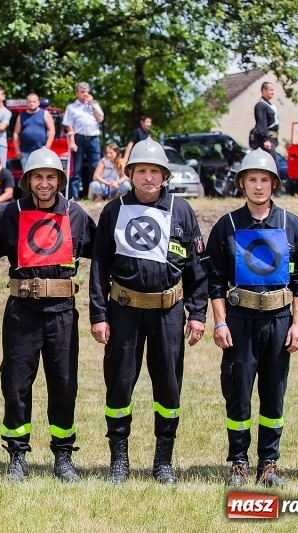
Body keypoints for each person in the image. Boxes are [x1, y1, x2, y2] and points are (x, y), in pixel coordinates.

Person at [89, 138, 207, 485]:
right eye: (142, 170)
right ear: (130, 174)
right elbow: (98, 266)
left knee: (169, 387)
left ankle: (163, 461)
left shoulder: (182, 210)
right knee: (119, 384)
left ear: (165, 175)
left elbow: (197, 268)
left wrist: (197, 313)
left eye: (155, 171)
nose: (148, 177)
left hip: (168, 312)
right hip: (123, 311)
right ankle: (119, 460)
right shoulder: (113, 210)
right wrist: (98, 315)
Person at [0, 147, 96, 483]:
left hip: (62, 314)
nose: (44, 183)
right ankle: (16, 453)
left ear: (60, 180)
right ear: (29, 181)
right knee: (15, 384)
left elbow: (102, 254)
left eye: (50, 177)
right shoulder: (12, 214)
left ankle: (63, 455)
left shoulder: (76, 214)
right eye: (38, 177)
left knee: (64, 384)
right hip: (22, 313)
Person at [207, 150, 298, 487]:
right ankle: (238, 461)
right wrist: (220, 322)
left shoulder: (291, 225)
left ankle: (269, 463)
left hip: (279, 320)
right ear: (242, 183)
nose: (258, 185)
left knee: (273, 392)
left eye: (264, 179)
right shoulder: (228, 225)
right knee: (238, 391)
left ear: (274, 184)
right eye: (252, 179)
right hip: (239, 319)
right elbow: (216, 280)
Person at [63, 82, 104, 200]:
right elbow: (69, 125)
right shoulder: (71, 107)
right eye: (82, 92)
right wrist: (72, 141)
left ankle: (94, 195)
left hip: (94, 138)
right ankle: (74, 197)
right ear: (77, 93)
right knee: (76, 168)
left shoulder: (94, 104)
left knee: (95, 167)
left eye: (86, 91)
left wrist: (92, 105)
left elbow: (100, 119)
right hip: (78, 138)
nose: (85, 94)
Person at [13, 93, 55, 170]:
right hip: (25, 152)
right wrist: (17, 150)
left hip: (41, 151)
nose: (32, 103)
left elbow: (52, 130)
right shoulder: (21, 116)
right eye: (30, 101)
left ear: (38, 102)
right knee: (27, 177)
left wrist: (47, 147)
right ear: (27, 103)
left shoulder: (45, 113)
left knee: (41, 174)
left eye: (34, 101)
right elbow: (16, 133)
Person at [252, 82, 279, 162]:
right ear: (264, 90)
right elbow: (261, 123)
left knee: (273, 165)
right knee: (271, 165)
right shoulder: (261, 105)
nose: (273, 92)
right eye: (271, 90)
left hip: (272, 139)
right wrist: (265, 140)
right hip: (267, 140)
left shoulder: (269, 105)